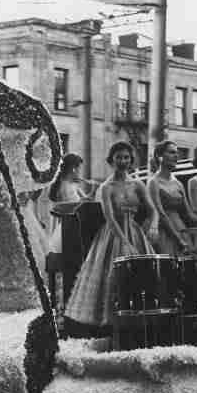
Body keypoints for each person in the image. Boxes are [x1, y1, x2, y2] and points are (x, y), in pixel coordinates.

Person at [64, 141, 157, 330]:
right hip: (113, 233)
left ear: (131, 161)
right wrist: (124, 242)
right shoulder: (107, 187)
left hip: (135, 231)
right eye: (119, 157)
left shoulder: (138, 184)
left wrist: (153, 225)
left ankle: (139, 322)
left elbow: (152, 209)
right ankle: (115, 324)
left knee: (143, 274)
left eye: (126, 157)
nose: (123, 161)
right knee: (113, 276)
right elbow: (110, 217)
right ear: (111, 160)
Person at [147, 140, 197, 255]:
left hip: (181, 229)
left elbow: (189, 214)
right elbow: (161, 214)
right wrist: (178, 239)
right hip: (163, 230)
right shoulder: (153, 182)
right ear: (160, 156)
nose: (176, 156)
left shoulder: (178, 184)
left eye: (177, 153)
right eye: (171, 152)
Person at [46, 152, 91, 256]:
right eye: (79, 168)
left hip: (71, 221)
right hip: (69, 224)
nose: (80, 171)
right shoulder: (65, 186)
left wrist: (93, 188)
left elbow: (85, 199)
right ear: (73, 169)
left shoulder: (71, 183)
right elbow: (73, 205)